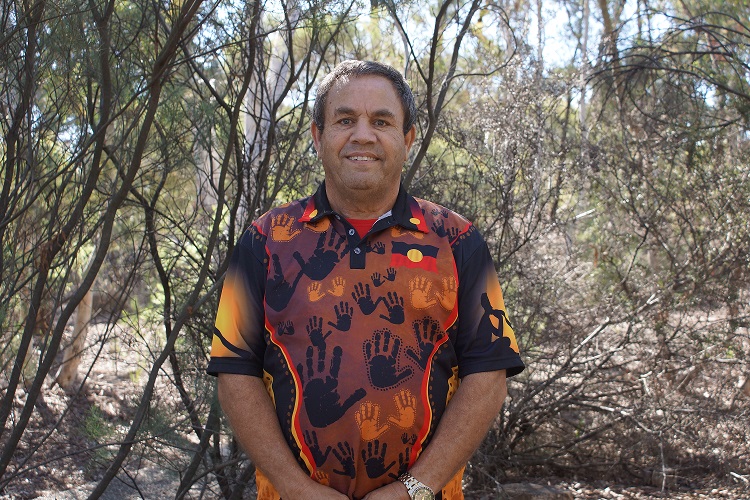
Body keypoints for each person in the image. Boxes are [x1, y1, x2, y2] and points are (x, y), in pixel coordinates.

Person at [207, 60, 525, 500]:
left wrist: (415, 489)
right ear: (318, 137)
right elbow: (234, 369)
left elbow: (489, 374)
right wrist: (296, 488)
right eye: (344, 120)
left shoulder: (458, 240)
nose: (362, 135)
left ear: (407, 137)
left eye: (381, 121)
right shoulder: (265, 239)